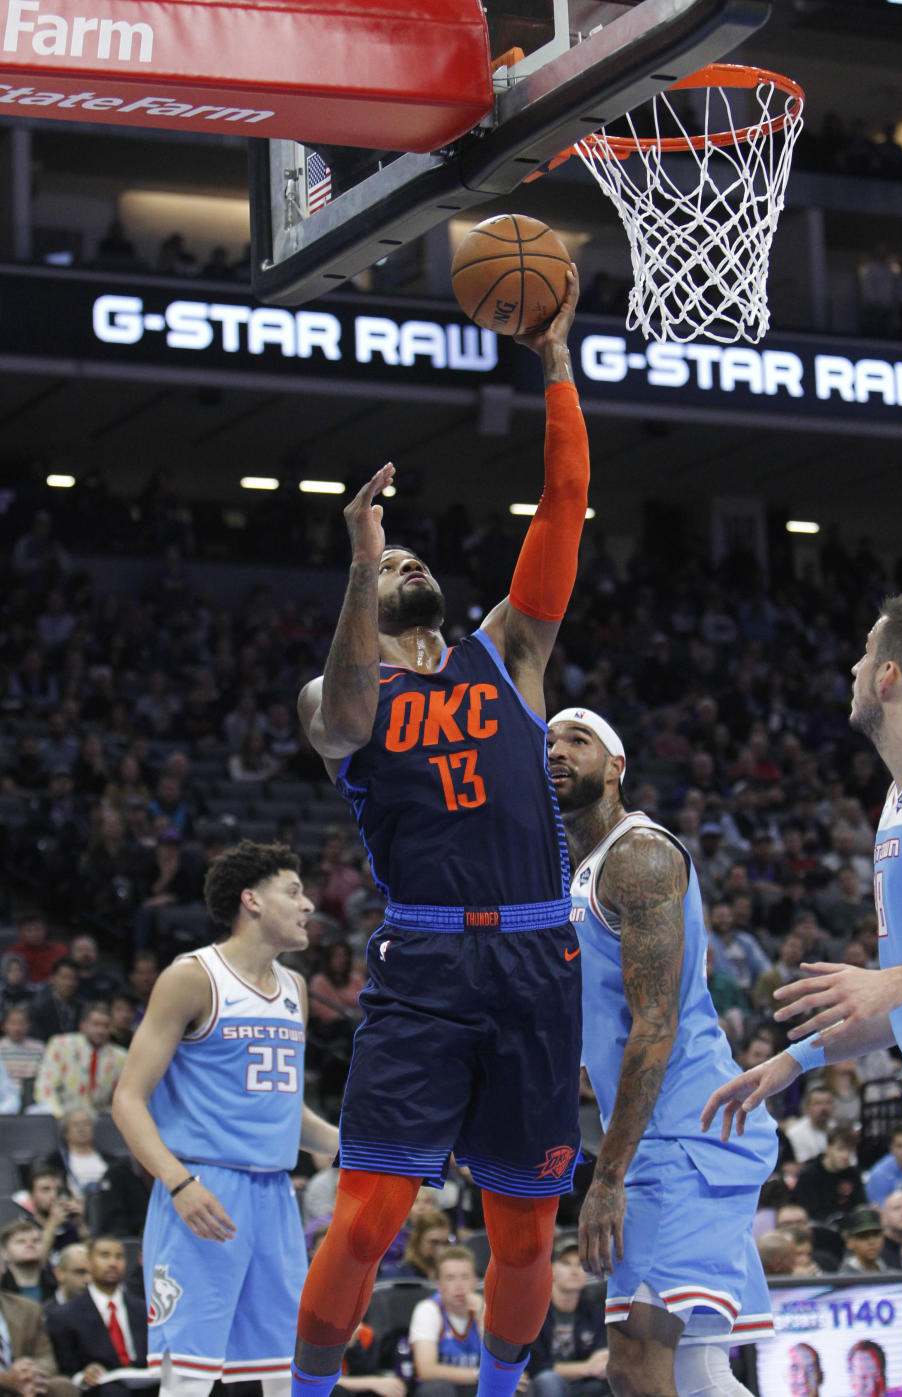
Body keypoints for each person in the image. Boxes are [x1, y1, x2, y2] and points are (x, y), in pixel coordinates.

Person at [293, 271, 588, 1397]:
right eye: (392, 559)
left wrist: (554, 363)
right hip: (423, 961)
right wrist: (362, 570)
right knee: (369, 1214)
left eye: (416, 557)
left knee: (523, 1231)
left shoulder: (508, 651)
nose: (411, 558)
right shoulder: (333, 691)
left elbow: (561, 506)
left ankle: (509, 1391)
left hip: (533, 953)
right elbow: (352, 720)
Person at [701, 596, 902, 1397]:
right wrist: (792, 1060)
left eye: (863, 651)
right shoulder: (901, 795)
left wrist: (895, 978)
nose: (849, 666)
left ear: (888, 676)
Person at [547, 709, 777, 1397]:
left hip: (683, 1137)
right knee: (693, 1369)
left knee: (635, 1364)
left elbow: (655, 1022)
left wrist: (608, 1175)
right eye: (549, 741)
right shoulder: (579, 870)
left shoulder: (638, 855)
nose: (556, 750)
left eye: (578, 740)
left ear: (617, 767)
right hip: (675, 1132)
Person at [111, 839, 339, 1397]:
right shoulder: (191, 977)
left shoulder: (295, 988)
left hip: (274, 1194)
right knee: (188, 1378)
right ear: (251, 901)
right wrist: (179, 1184)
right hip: (203, 1189)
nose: (308, 905)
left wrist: (347, 1142)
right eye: (293, 892)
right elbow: (127, 1100)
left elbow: (284, 1109)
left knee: (285, 1371)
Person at [45, 1235, 147, 1397]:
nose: (113, 1263)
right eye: (104, 1256)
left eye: (119, 1257)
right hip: (99, 1391)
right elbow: (65, 1371)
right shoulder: (65, 1316)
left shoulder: (143, 1310)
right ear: (88, 1263)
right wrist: (82, 1376)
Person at [526, 1238, 608, 1397]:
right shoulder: (533, 1312)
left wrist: (593, 1366)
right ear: (550, 1269)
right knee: (548, 1380)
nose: (574, 1270)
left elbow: (602, 1355)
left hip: (585, 1383)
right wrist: (586, 1368)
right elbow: (536, 1366)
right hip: (543, 1384)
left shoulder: (595, 1311)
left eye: (580, 1264)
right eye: (566, 1263)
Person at [409, 1247, 484, 1397]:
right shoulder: (428, 1310)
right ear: (438, 1284)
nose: (459, 1287)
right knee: (438, 1389)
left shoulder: (484, 1309)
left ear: (475, 1282)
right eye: (450, 1278)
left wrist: (481, 1318)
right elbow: (426, 1370)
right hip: (446, 1388)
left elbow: (499, 1361)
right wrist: (481, 1374)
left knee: (518, 1387)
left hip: (475, 1386)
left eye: (465, 1277)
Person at [32, 1003, 127, 1118]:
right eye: (95, 1024)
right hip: (61, 1116)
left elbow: (122, 1098)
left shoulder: (121, 1057)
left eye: (105, 1026)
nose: (100, 1031)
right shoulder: (60, 1045)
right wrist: (62, 1116)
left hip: (101, 1121)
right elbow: (45, 1088)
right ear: (83, 1025)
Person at [0, 1288, 77, 1397]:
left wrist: (26, 1372)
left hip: (23, 1385)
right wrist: (4, 1378)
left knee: (62, 1387)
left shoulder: (27, 1308)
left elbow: (47, 1359)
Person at [792, 1126, 866, 1224]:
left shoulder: (853, 1174)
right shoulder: (809, 1176)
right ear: (828, 1148)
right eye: (840, 1149)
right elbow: (811, 1214)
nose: (845, 1155)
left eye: (850, 1150)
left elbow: (860, 1204)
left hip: (849, 1228)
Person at [783, 1085, 836, 1165]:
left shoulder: (838, 1129)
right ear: (807, 1108)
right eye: (818, 1103)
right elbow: (800, 1165)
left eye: (828, 1103)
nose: (824, 1108)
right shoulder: (795, 1133)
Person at [838, 1208, 885, 1275]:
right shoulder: (844, 1279)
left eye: (876, 1234)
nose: (871, 1242)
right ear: (849, 1242)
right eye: (863, 1236)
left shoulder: (890, 1272)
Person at [47, 1244, 92, 1309]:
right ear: (59, 1274)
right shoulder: (45, 1314)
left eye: (92, 1274)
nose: (88, 1280)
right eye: (80, 1272)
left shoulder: (103, 1311)